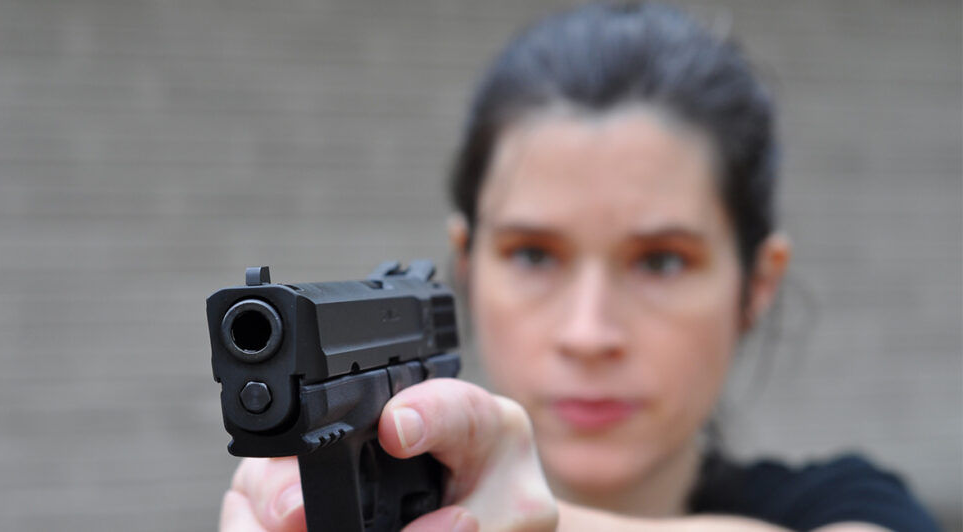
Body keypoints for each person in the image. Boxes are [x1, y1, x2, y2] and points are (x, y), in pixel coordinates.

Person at [218, 3, 941, 531]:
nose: (588, 333)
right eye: (533, 255)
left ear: (756, 286)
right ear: (466, 267)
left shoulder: (851, 507)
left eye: (661, 261)